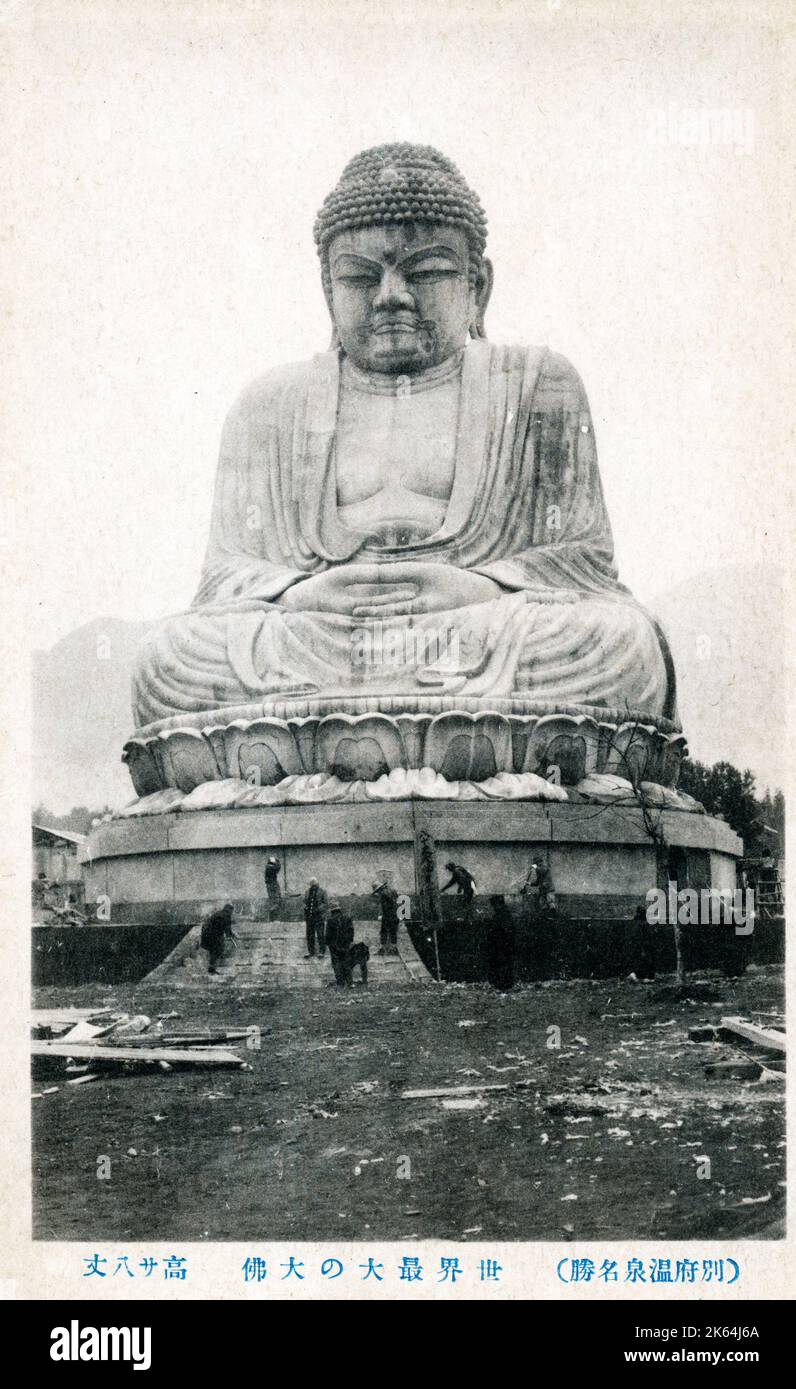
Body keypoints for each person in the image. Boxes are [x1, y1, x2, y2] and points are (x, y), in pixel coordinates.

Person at [130, 143, 679, 801]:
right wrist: (296, 595)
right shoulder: (268, 405)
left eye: (423, 272)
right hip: (320, 641)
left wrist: (475, 589)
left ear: (478, 286)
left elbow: (579, 562)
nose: (391, 297)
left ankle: (306, 759)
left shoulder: (536, 385)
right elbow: (228, 575)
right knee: (169, 656)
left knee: (618, 644)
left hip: (478, 632)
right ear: (326, 291)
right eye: (361, 278)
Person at [486, 895, 516, 992]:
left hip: (502, 945)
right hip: (505, 945)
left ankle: (503, 985)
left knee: (502, 965)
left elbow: (503, 930)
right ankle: (506, 985)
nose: (493, 907)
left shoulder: (501, 915)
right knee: (505, 965)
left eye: (494, 905)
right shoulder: (505, 914)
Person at [200, 902, 238, 975]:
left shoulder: (217, 913)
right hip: (214, 936)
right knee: (219, 949)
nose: (232, 913)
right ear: (230, 910)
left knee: (213, 950)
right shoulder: (227, 916)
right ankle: (211, 968)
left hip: (206, 934)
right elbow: (228, 933)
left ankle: (211, 967)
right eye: (232, 911)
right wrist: (233, 934)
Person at [325, 906, 354, 986]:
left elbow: (328, 935)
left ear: (332, 912)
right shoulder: (347, 919)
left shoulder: (330, 920)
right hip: (345, 944)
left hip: (334, 946)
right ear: (340, 911)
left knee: (336, 964)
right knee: (346, 963)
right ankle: (349, 982)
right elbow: (351, 931)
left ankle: (340, 982)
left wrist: (329, 945)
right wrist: (350, 941)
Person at [372, 875, 399, 955]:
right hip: (395, 914)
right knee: (393, 931)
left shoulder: (383, 894)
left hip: (388, 915)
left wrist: (382, 916)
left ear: (379, 889)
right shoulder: (393, 890)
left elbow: (385, 907)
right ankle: (393, 949)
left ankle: (382, 950)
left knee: (383, 931)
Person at [303, 877, 329, 958]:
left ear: (317, 884)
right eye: (312, 885)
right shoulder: (307, 892)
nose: (313, 886)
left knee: (320, 934)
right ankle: (311, 951)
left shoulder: (322, 891)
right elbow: (304, 902)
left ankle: (322, 951)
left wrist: (318, 909)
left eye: (314, 885)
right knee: (310, 935)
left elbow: (325, 903)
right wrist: (305, 907)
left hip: (319, 917)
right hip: (309, 917)